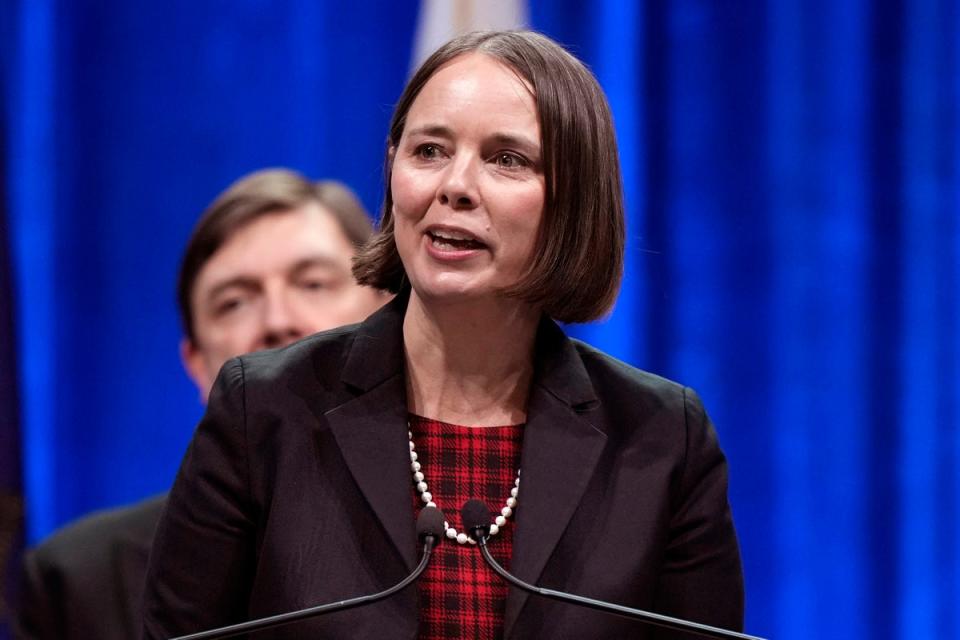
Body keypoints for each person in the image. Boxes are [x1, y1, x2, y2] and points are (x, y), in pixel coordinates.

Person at [143, 31, 744, 640]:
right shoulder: (263, 411)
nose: (453, 186)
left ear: (574, 202)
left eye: (507, 159)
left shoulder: (662, 439)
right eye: (429, 150)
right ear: (393, 170)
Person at [15, 169, 387, 640]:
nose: (277, 321)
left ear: (387, 317)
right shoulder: (80, 580)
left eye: (313, 284)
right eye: (233, 303)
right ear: (196, 364)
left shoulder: (459, 538)